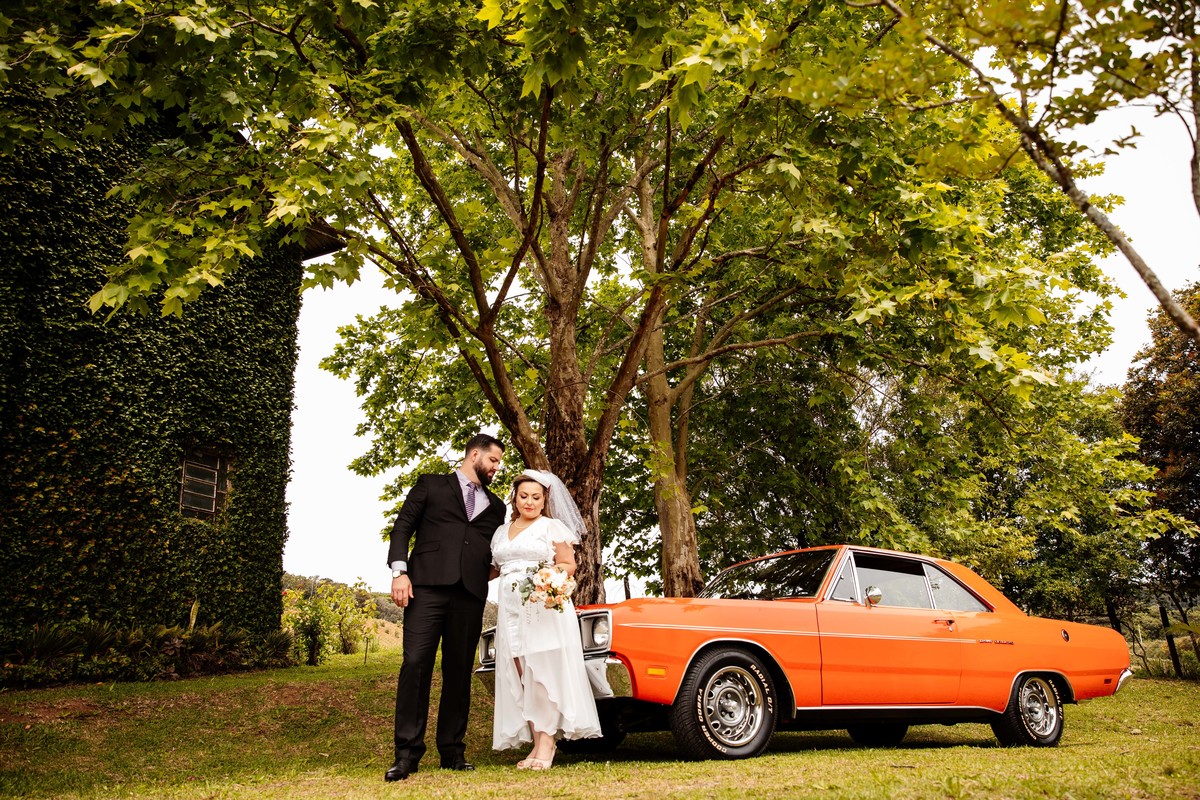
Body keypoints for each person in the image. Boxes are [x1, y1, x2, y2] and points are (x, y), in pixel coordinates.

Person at [384, 434, 507, 782]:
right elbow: (402, 527)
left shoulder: (497, 508)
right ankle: (406, 754)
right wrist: (399, 573)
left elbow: (496, 551)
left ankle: (452, 751)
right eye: (493, 461)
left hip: (469, 595)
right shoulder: (431, 485)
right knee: (415, 664)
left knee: (458, 673)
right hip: (424, 588)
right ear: (474, 455)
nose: (497, 468)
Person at [489, 469, 602, 770]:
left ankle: (547, 744)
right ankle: (536, 743)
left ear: (544, 500)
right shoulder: (502, 531)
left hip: (541, 608)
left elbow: (568, 564)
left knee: (542, 674)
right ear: (514, 497)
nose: (529, 502)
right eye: (523, 496)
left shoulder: (552, 527)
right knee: (522, 673)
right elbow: (494, 568)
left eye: (535, 497)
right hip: (509, 611)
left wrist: (547, 580)